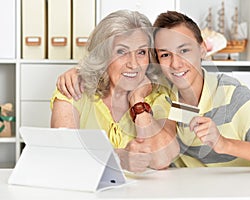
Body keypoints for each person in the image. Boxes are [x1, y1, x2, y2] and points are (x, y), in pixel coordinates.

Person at [56, 11, 250, 169]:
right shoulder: (165, 92)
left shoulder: (228, 93)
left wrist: (223, 143)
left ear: (203, 50)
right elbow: (63, 156)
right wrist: (80, 72)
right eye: (164, 55)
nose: (176, 63)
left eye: (185, 50)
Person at [51, 10, 179, 173]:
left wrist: (138, 101)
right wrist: (118, 158)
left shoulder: (159, 97)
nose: (134, 64)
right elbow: (63, 154)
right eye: (121, 52)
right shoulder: (74, 90)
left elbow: (162, 159)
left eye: (141, 52)